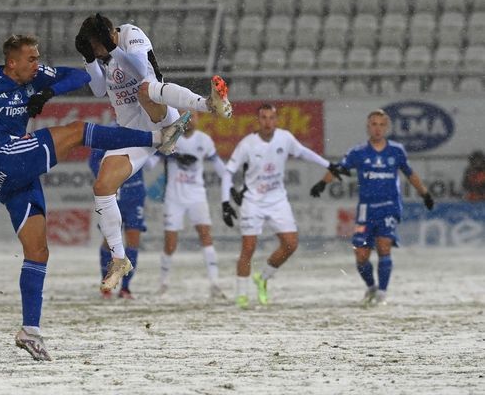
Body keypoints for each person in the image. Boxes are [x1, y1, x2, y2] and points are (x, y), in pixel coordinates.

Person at [0, 34, 190, 361]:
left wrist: (49, 90)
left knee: (38, 252)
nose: (38, 64)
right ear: (12, 62)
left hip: (16, 176)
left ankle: (30, 331)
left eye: (38, 58)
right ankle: (157, 138)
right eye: (31, 59)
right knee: (77, 131)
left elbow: (78, 77)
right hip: (3, 158)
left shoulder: (36, 77)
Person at [75, 13, 233, 294]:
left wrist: (112, 50)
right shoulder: (98, 53)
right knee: (102, 186)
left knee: (145, 88)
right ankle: (118, 259)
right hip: (132, 132)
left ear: (109, 35)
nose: (97, 52)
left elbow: (139, 69)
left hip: (158, 112)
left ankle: (208, 104)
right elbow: (99, 90)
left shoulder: (132, 34)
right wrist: (89, 60)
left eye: (96, 46)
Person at [221, 103, 348, 309]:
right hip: (253, 200)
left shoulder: (285, 138)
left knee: (291, 244)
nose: (268, 122)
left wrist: (329, 165)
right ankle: (241, 296)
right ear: (258, 120)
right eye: (263, 118)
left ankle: (262, 278)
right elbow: (228, 171)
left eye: (271, 118)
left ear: (276, 120)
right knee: (248, 247)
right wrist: (225, 202)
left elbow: (304, 152)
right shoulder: (247, 144)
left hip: (278, 199)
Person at [310, 109, 434, 306]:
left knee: (384, 246)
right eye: (374, 124)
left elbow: (410, 174)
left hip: (389, 206)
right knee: (360, 254)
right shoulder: (358, 152)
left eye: (381, 124)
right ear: (368, 127)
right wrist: (322, 183)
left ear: (387, 127)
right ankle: (371, 287)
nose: (378, 128)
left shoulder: (396, 151)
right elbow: (339, 169)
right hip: (366, 209)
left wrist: (425, 193)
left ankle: (382, 293)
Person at [152, 113, 228, 299]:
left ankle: (215, 284)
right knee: (170, 243)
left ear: (198, 119)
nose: (190, 121)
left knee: (205, 236)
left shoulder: (204, 140)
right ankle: (163, 283)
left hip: (197, 196)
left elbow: (220, 166)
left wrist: (231, 179)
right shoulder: (169, 139)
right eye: (185, 117)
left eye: (193, 117)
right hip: (174, 197)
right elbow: (149, 164)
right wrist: (156, 150)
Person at [89, 148, 146, 300]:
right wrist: (109, 178)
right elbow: (93, 162)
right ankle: (107, 284)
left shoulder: (141, 133)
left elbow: (159, 149)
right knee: (110, 241)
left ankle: (125, 288)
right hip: (114, 195)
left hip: (135, 196)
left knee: (133, 240)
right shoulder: (108, 136)